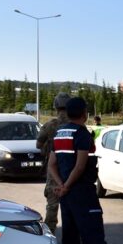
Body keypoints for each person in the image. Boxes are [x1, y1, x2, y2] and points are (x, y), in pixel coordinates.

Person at [48, 97, 123, 244]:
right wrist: (68, 185)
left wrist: (61, 185)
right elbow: (80, 165)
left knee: (70, 236)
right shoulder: (82, 134)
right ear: (85, 114)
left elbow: (51, 164)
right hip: (82, 193)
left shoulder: (59, 133)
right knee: (93, 235)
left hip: (66, 196)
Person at [36, 92, 70, 233]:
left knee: (52, 206)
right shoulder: (76, 125)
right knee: (71, 206)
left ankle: (49, 234)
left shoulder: (50, 125)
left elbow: (38, 145)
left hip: (53, 169)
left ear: (56, 107)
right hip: (71, 170)